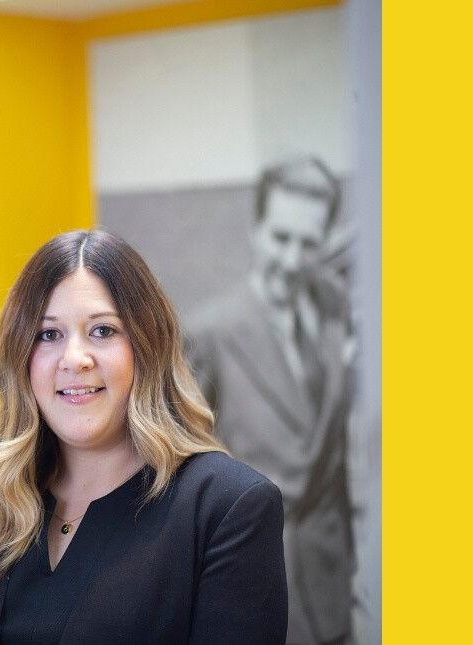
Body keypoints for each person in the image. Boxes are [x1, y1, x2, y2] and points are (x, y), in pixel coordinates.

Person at [0, 230, 288, 644]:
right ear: (20, 356)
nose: (74, 359)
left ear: (147, 346)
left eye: (102, 331)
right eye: (48, 334)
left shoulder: (228, 510)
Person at [184, 158, 355, 645]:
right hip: (252, 580)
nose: (294, 260)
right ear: (255, 231)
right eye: (281, 239)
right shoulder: (209, 332)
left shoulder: (336, 309)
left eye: (309, 242)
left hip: (332, 580)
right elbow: (185, 466)